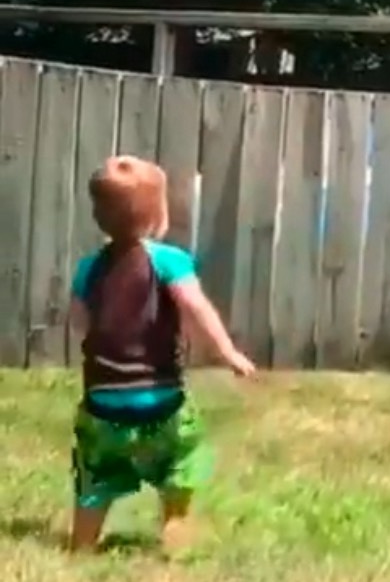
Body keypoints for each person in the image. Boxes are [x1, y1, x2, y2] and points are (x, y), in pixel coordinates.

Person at [66, 155, 256, 553]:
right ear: (158, 215)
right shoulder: (169, 261)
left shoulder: (89, 268)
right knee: (179, 463)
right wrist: (227, 352)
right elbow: (196, 308)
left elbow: (78, 322)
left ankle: (82, 544)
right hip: (161, 402)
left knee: (94, 474)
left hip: (102, 404)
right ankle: (175, 531)